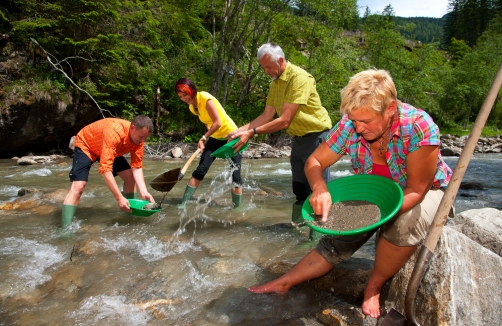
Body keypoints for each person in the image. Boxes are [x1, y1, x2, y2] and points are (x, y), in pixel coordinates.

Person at [247, 69, 453, 319]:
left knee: (403, 223)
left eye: (366, 122)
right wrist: (320, 188)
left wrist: (374, 219)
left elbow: (417, 189)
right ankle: (285, 282)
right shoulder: (350, 124)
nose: (358, 127)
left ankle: (374, 287)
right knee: (337, 235)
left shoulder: (417, 126)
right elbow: (314, 161)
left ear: (389, 109)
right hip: (376, 193)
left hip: (427, 192)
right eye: (354, 120)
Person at [227, 42, 332, 226]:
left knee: (317, 191)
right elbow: (267, 116)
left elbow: (284, 120)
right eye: (263, 67)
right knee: (299, 190)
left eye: (268, 66)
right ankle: (298, 233)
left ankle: (321, 238)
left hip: (317, 138)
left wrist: (251, 133)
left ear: (281, 60)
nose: (266, 71)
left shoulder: (299, 78)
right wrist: (239, 131)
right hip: (298, 141)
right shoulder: (275, 84)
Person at [61, 115, 155, 228]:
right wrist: (119, 197)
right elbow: (105, 169)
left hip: (110, 149)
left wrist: (144, 191)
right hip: (87, 145)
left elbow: (137, 166)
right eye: (141, 137)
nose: (142, 141)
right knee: (79, 187)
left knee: (130, 178)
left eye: (145, 138)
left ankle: (128, 216)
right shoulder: (114, 132)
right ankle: (65, 230)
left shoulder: (138, 141)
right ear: (132, 128)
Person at [174, 78, 243, 208]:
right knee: (201, 169)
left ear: (192, 90)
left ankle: (237, 209)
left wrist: (203, 138)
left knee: (236, 174)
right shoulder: (192, 107)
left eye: (185, 94)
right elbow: (207, 121)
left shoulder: (205, 98)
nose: (184, 98)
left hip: (232, 136)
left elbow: (218, 122)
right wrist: (208, 134)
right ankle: (183, 204)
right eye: (180, 96)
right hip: (216, 138)